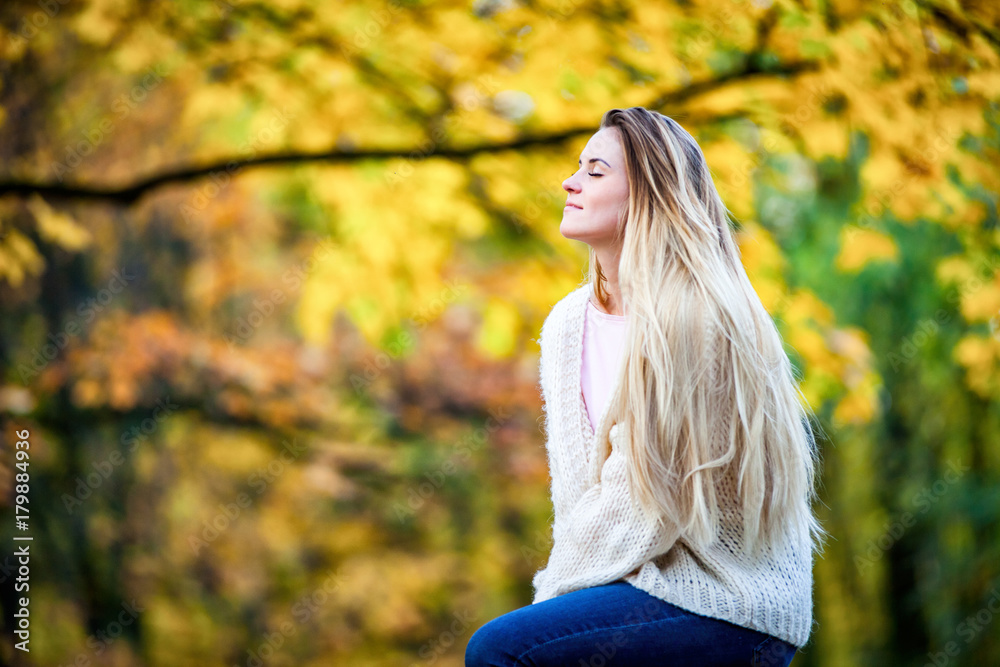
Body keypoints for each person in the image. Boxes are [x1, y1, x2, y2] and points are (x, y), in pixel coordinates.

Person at [465, 107, 828, 666]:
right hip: (629, 589)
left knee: (502, 651)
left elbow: (648, 501)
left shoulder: (696, 315)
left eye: (595, 170)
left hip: (728, 603)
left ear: (647, 194)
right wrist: (563, 597)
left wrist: (552, 596)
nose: (570, 181)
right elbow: (578, 493)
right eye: (576, 167)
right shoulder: (567, 324)